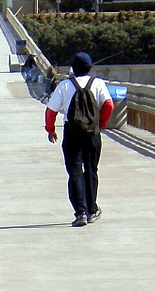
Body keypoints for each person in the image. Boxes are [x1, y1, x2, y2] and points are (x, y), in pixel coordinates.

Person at [45, 52, 114, 227]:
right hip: (92, 132)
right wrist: (102, 124)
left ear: (73, 69)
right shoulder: (97, 83)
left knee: (75, 170)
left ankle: (80, 212)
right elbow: (108, 105)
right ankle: (92, 210)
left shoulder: (64, 85)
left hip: (72, 132)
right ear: (90, 67)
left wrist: (51, 130)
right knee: (91, 169)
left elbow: (51, 111)